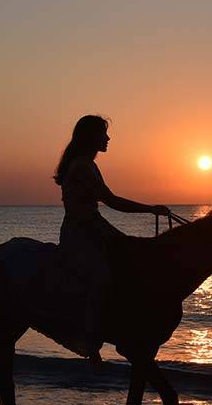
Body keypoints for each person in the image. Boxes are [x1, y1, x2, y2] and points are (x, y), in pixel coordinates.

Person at [53, 115, 169, 363]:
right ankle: (89, 338)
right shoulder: (82, 166)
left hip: (94, 227)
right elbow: (112, 201)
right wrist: (151, 209)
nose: (108, 138)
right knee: (102, 276)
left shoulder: (87, 164)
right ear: (91, 137)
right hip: (81, 233)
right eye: (103, 134)